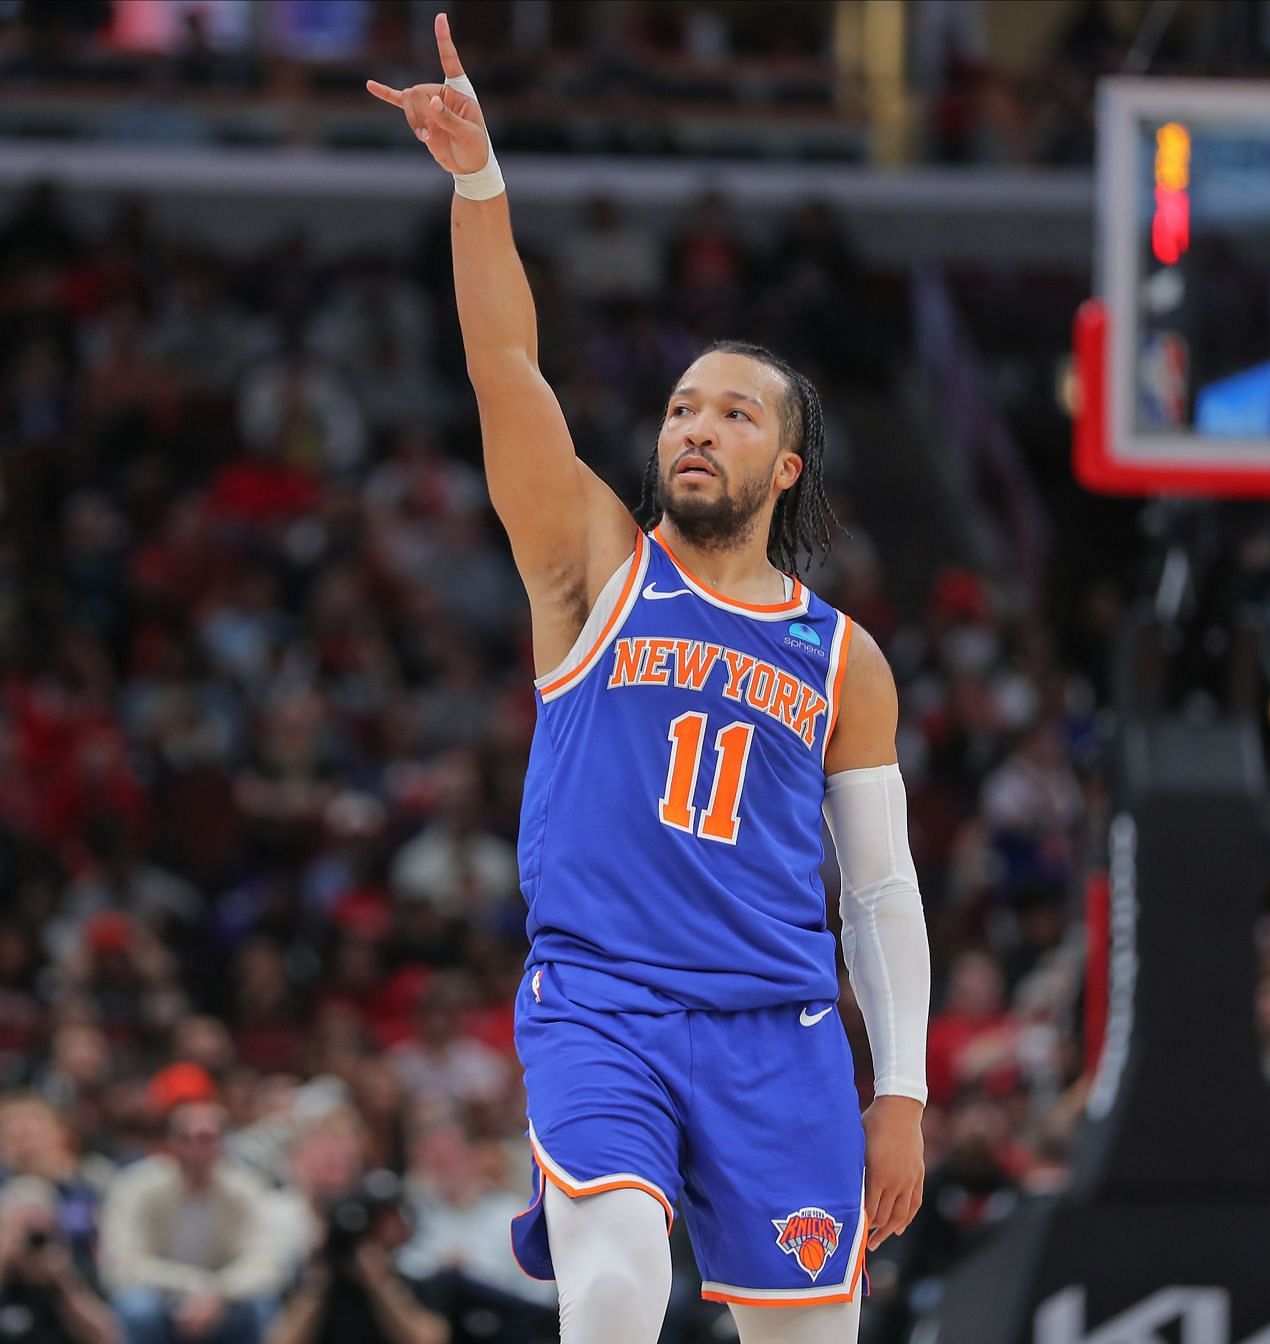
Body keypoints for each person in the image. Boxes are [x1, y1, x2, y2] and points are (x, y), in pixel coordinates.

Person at [368, 19, 931, 1343]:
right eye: (684, 405)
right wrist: (477, 185)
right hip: (605, 1006)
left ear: (785, 466)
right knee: (615, 1288)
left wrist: (896, 1086)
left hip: (778, 1032)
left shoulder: (842, 655)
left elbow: (879, 887)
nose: (697, 424)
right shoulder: (593, 568)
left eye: (736, 413)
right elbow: (504, 366)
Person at [99, 1101, 285, 1344]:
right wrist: (194, 1285)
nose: (196, 1149)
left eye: (206, 1138)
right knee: (136, 1308)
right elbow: (122, 1264)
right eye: (186, 1139)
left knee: (263, 1306)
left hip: (225, 1297)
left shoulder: (246, 1190)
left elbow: (266, 1264)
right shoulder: (135, 1186)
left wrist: (217, 1293)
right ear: (170, 1143)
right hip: (160, 1292)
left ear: (222, 1144)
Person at [266, 1170, 448, 1344]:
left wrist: (382, 1284)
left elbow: (430, 1339)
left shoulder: (407, 1278)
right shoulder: (316, 1283)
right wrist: (315, 1286)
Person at [0, 1178, 117, 1344]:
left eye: (37, 1232)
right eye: (21, 1229)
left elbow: (107, 1338)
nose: (29, 1242)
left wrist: (63, 1279)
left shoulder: (72, 1266)